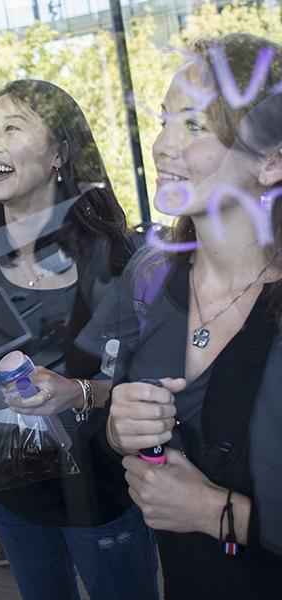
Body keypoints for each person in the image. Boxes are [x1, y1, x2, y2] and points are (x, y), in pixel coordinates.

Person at [0, 79, 157, 600]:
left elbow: (152, 390)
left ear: (60, 152)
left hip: (104, 494)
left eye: (12, 128)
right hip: (13, 490)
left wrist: (78, 392)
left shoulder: (117, 259)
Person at [97, 34, 282, 599]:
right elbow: (112, 427)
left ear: (272, 161)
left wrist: (212, 511)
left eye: (195, 125)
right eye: (163, 120)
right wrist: (116, 426)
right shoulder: (151, 278)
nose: (160, 145)